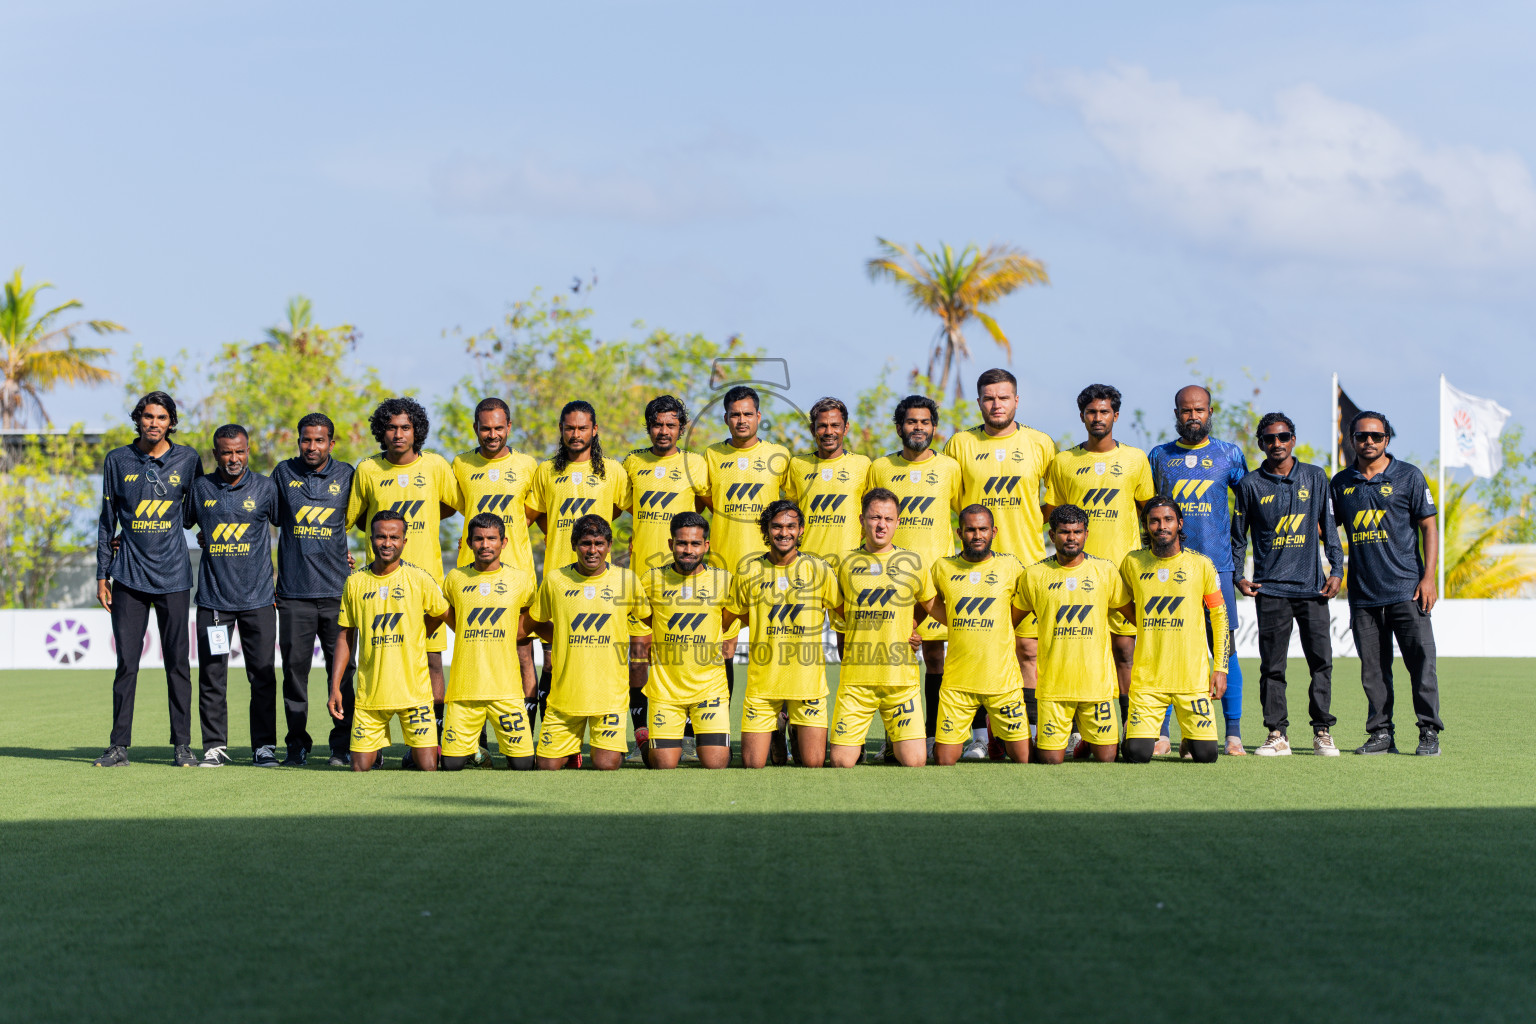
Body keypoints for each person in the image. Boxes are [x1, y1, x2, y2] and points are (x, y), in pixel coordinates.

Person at [943, 368, 1053, 758]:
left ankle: (1035, 731)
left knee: (1029, 652)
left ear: (1017, 400)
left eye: (1003, 397)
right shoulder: (960, 444)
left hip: (1027, 564)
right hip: (974, 567)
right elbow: (953, 502)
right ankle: (976, 740)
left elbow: (1051, 504)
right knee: (970, 647)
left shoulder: (1040, 443)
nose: (996, 404)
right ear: (979, 402)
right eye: (989, 398)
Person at [93, 390, 204, 769]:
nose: (154, 423)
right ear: (138, 419)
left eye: (161, 417)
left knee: (178, 663)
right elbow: (108, 523)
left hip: (174, 576)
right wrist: (102, 574)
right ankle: (118, 746)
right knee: (127, 664)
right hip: (128, 577)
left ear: (171, 422)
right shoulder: (117, 460)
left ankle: (183, 746)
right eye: (147, 416)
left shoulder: (188, 459)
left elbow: (195, 511)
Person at [346, 397, 458, 766]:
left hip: (425, 584)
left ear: (417, 431)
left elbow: (451, 506)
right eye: (391, 427)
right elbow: (351, 518)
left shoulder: (436, 465)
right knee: (377, 660)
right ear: (382, 431)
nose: (398, 434)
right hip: (378, 585)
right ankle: (372, 744)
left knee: (433, 664)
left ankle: (429, 743)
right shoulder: (367, 470)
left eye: (405, 427)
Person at [1329, 411, 1443, 756]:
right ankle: (1381, 733)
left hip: (1407, 589)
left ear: (1387, 439)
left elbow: (1429, 528)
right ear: (1353, 440)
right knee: (1373, 671)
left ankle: (1428, 732)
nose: (1369, 442)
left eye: (1376, 436)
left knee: (1422, 664)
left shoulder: (1409, 476)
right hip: (1363, 594)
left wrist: (1428, 578)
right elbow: (1326, 530)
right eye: (1362, 436)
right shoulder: (1341, 483)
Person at [1232, 413, 1344, 757]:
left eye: (1282, 437)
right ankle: (1277, 734)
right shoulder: (1250, 484)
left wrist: (1337, 569)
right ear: (1261, 443)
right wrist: (1238, 575)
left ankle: (1322, 731)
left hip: (1313, 589)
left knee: (1321, 662)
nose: (1276, 444)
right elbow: (1238, 537)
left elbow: (1329, 526)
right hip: (1271, 590)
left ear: (1293, 438)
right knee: (1272, 667)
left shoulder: (1314, 476)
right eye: (1269, 439)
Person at [1043, 384, 1154, 719]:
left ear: (1115, 416)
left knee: (1124, 652)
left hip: (1123, 571)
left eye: (1104, 411)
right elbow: (1052, 513)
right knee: (1079, 650)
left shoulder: (1135, 459)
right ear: (1082, 416)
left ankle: (1130, 727)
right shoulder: (1063, 462)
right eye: (1091, 412)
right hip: (1078, 571)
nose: (1098, 417)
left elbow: (1146, 512)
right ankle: (1081, 731)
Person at [1149, 384, 1249, 755]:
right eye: (1186, 411)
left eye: (1200, 410)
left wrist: (1236, 558)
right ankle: (1161, 732)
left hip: (1216, 568)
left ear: (1210, 412)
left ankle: (1234, 733)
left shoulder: (1230, 455)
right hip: (1167, 568)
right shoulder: (1159, 456)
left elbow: (1247, 509)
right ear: (1176, 414)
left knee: (1225, 647)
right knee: (1165, 644)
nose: (1193, 416)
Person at [525, 400, 631, 746]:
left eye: (582, 427)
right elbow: (535, 514)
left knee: (596, 660)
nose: (575, 434)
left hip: (600, 580)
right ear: (561, 430)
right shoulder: (546, 472)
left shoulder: (612, 471)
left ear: (594, 430)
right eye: (569, 427)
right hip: (559, 580)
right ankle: (551, 740)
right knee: (552, 663)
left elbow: (616, 512)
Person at [867, 395, 963, 760]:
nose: (918, 428)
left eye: (924, 422)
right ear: (899, 427)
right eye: (911, 422)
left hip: (936, 578)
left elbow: (964, 512)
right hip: (890, 582)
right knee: (890, 658)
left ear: (933, 427)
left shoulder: (951, 468)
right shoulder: (880, 468)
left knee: (937, 660)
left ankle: (934, 736)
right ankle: (894, 740)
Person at [703, 384, 791, 754]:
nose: (741, 420)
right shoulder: (710, 456)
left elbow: (790, 511)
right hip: (725, 575)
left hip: (770, 572)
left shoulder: (780, 456)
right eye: (734, 414)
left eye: (747, 414)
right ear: (726, 418)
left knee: (774, 653)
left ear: (759, 417)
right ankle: (718, 735)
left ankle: (777, 739)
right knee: (721, 652)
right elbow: (702, 501)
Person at [622, 395, 710, 761]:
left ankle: (688, 737)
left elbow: (702, 512)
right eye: (657, 424)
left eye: (671, 425)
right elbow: (622, 507)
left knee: (685, 656)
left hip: (684, 578)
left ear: (681, 428)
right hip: (642, 579)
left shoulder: (696, 464)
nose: (663, 431)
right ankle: (642, 737)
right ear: (648, 426)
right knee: (639, 658)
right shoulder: (632, 463)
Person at [327, 510, 449, 772]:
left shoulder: (418, 578)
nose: (387, 543)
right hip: (371, 695)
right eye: (381, 536)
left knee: (428, 766)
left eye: (394, 537)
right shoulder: (355, 582)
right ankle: (377, 753)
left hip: (414, 694)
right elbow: (345, 636)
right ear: (371, 539)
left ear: (404, 541)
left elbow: (444, 613)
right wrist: (335, 686)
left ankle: (412, 754)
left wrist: (421, 631)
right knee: (360, 767)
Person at [188, 424, 281, 767]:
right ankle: (214, 746)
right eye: (226, 452)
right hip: (214, 602)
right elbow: (180, 523)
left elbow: (289, 529)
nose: (233, 458)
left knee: (262, 675)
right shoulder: (200, 489)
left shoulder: (266, 487)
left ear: (248, 451)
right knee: (213, 676)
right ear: (215, 454)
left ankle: (264, 747)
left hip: (258, 599)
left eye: (239, 451)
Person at [527, 514, 650, 771]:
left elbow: (645, 621)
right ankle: (572, 751)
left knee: (606, 765)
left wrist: (638, 661)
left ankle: (581, 749)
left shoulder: (627, 580)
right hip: (564, 697)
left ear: (608, 545)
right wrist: (562, 636)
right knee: (546, 767)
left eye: (598, 543)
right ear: (573, 545)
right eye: (585, 543)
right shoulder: (555, 580)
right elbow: (536, 621)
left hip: (609, 696)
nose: (592, 550)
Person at [1014, 505, 1133, 764]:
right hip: (1054, 688)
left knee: (1107, 760)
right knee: (1049, 761)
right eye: (1065, 532)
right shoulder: (1034, 575)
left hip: (1097, 687)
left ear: (1086, 534)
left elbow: (1133, 616)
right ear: (1051, 534)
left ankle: (1086, 739)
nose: (1071, 537)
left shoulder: (1105, 570)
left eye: (1077, 532)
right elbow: (1008, 622)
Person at [725, 500, 838, 769]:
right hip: (763, 684)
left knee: (812, 763)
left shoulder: (818, 569)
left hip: (806, 683)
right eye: (776, 526)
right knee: (753, 764)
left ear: (800, 530)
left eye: (790, 526)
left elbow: (843, 614)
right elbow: (729, 619)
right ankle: (777, 728)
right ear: (766, 530)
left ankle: (793, 728)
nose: (783, 532)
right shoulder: (749, 570)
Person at [827, 488, 934, 768]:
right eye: (875, 517)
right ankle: (859, 745)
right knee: (841, 762)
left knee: (915, 762)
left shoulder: (913, 562)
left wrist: (910, 624)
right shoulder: (844, 563)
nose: (881, 525)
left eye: (888, 518)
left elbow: (929, 602)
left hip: (901, 682)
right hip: (856, 682)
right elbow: (839, 610)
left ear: (898, 522)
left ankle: (893, 744)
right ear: (861, 520)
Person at [272, 412, 356, 767]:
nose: (312, 446)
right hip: (293, 594)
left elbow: (371, 521)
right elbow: (262, 516)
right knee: (294, 674)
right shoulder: (282, 473)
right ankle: (297, 745)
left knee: (344, 674)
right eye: (306, 440)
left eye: (319, 440)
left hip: (338, 594)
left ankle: (341, 745)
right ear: (299, 441)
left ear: (331, 444)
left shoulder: (347, 475)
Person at [448, 397, 540, 716]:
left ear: (509, 427)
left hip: (518, 574)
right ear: (475, 428)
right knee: (473, 654)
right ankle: (476, 741)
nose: (492, 434)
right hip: (473, 574)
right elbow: (451, 506)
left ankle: (526, 731)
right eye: (485, 428)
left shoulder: (528, 465)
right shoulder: (460, 464)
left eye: (498, 428)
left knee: (522, 651)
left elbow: (531, 514)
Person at [922, 506, 1033, 765]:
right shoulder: (943, 567)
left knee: (1024, 759)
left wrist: (1003, 623)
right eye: (970, 530)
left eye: (983, 529)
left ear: (993, 531)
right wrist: (913, 628)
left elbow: (1023, 605)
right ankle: (988, 731)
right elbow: (926, 602)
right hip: (958, 686)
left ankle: (994, 733)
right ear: (959, 532)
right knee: (944, 760)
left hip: (1003, 683)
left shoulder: (1011, 566)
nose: (977, 535)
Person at [1121, 497, 1228, 763]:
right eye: (1154, 521)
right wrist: (1142, 621)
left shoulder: (1201, 564)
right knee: (1135, 754)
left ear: (1180, 523)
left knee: (1206, 756)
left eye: (1168, 519)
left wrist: (1221, 668)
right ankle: (1135, 733)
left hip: (1191, 679)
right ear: (1146, 527)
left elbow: (1219, 616)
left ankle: (1191, 738)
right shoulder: (1132, 563)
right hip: (1148, 680)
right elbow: (1118, 600)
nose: (1161, 526)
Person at [636, 511, 734, 769]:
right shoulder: (651, 579)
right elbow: (645, 617)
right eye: (681, 543)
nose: (687, 550)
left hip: (709, 689)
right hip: (666, 691)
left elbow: (729, 619)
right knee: (663, 765)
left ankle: (717, 744)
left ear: (706, 545)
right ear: (671, 544)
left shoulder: (723, 581)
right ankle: (646, 742)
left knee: (716, 764)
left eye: (695, 544)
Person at [439, 512, 536, 770]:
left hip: (506, 689)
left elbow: (530, 615)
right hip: (464, 690)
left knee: (524, 765)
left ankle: (478, 746)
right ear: (469, 543)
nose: (485, 545)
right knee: (450, 765)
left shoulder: (521, 580)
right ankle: (476, 751)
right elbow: (449, 614)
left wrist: (509, 632)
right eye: (479, 539)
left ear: (503, 543)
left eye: (492, 539)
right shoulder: (455, 579)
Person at [784, 396, 871, 567]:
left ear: (845, 428)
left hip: (849, 565)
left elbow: (872, 515)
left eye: (835, 425)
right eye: (822, 426)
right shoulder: (798, 465)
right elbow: (790, 516)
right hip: (805, 564)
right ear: (812, 429)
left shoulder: (863, 465)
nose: (829, 432)